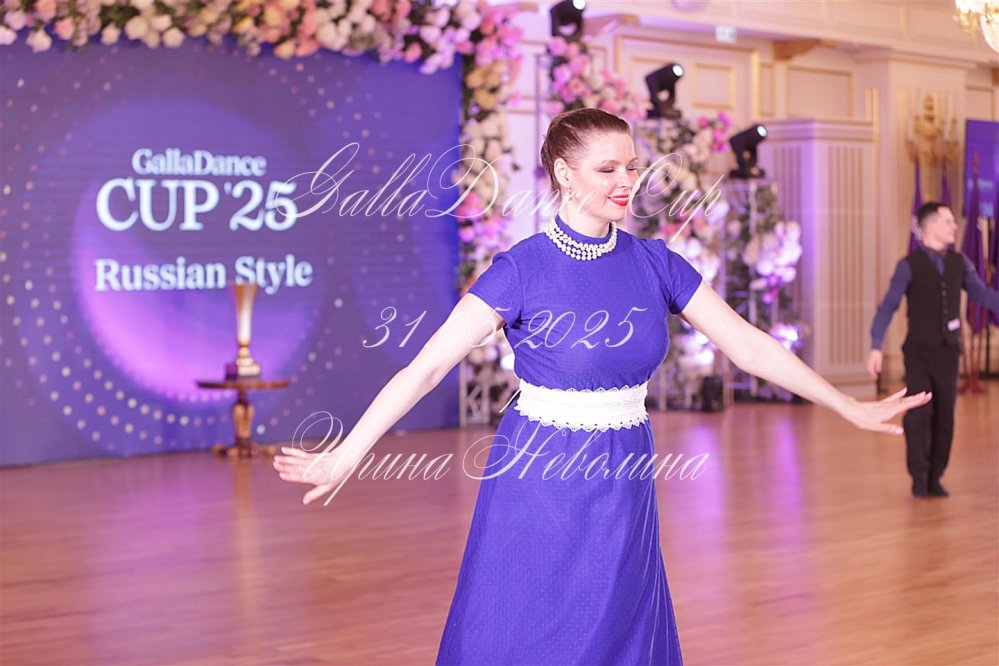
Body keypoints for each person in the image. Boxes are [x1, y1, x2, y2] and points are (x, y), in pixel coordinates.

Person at [273, 108, 931, 665]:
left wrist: (845, 406)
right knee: (529, 626)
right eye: (607, 169)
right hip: (539, 473)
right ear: (564, 174)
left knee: (617, 621)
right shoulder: (520, 269)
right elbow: (425, 368)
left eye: (631, 167)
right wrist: (347, 454)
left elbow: (749, 345)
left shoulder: (656, 263)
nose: (625, 182)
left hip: (624, 468)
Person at [867, 201, 999, 499]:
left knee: (945, 416)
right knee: (918, 414)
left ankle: (935, 477)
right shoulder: (908, 265)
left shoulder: (960, 262)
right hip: (918, 353)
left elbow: (983, 295)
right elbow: (888, 306)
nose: (955, 226)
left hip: (948, 352)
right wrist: (876, 346)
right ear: (930, 226)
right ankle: (919, 475)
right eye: (948, 221)